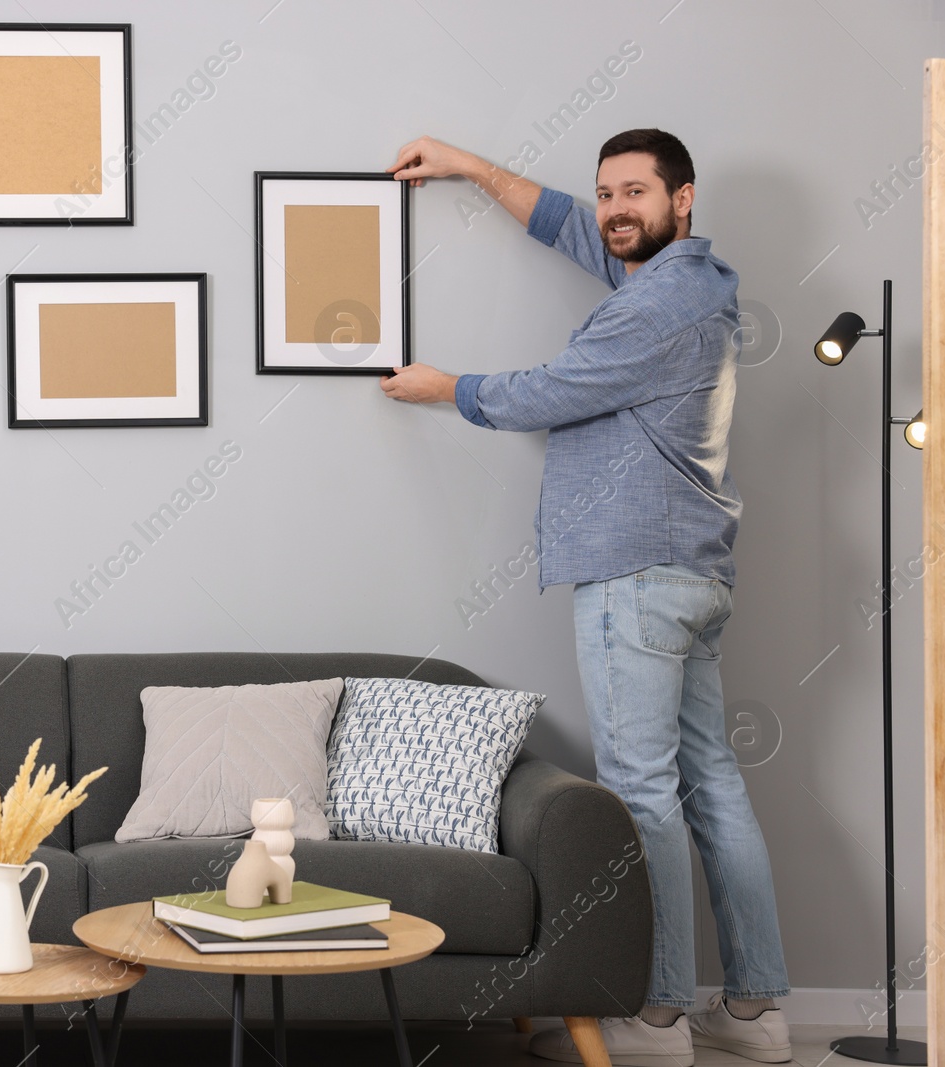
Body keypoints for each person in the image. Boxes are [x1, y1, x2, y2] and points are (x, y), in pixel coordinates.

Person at [380, 130, 791, 1066]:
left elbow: (551, 390)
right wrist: (473, 168)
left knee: (643, 791)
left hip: (635, 574)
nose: (613, 209)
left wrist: (450, 387)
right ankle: (759, 1009)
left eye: (635, 193)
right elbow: (573, 229)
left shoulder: (656, 310)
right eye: (608, 192)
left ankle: (656, 1018)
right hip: (689, 571)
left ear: (683, 201)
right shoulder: (686, 284)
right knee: (710, 784)